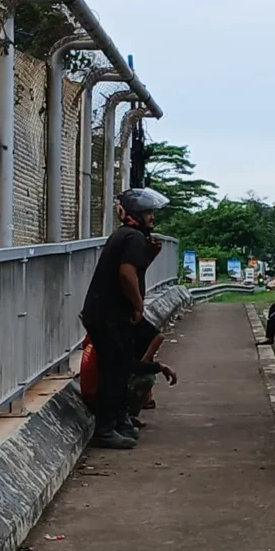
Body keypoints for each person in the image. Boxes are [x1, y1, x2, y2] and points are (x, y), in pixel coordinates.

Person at [79, 187, 176, 449]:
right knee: (113, 372)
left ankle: (120, 419)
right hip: (110, 315)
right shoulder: (133, 237)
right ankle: (106, 428)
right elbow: (126, 274)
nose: (152, 218)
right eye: (148, 213)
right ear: (136, 214)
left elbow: (133, 269)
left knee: (120, 368)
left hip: (104, 313)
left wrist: (150, 256)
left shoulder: (125, 236)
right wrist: (137, 305)